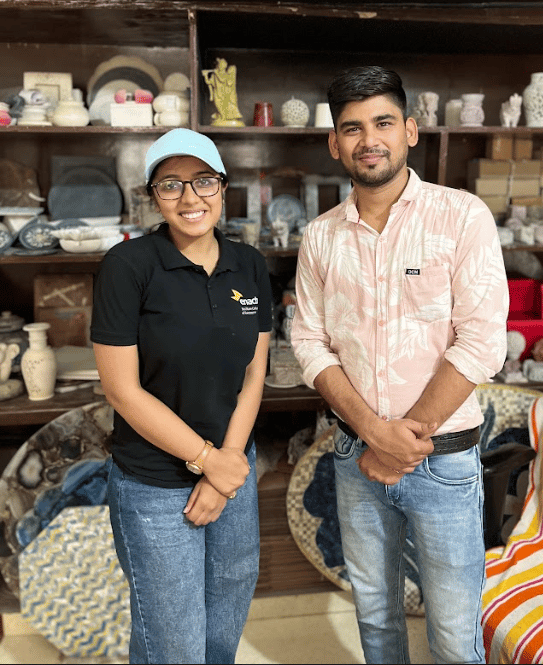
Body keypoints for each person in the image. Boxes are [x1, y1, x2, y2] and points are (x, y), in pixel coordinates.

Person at [291, 66, 509, 665]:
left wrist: (397, 440)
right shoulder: (321, 237)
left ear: (411, 130)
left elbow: (484, 341)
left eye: (383, 122)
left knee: (454, 633)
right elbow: (308, 341)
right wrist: (372, 433)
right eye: (352, 128)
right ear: (334, 144)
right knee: (377, 618)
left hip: (443, 462)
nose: (369, 139)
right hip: (353, 458)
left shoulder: (462, 217)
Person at [91, 128, 272, 665]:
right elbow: (122, 391)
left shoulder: (250, 264)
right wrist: (207, 460)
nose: (190, 198)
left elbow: (253, 373)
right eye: (171, 184)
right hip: (155, 482)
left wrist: (229, 462)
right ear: (152, 196)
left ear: (222, 186)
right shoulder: (128, 267)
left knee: (221, 635)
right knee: (176, 646)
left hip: (234, 471)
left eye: (203, 181)